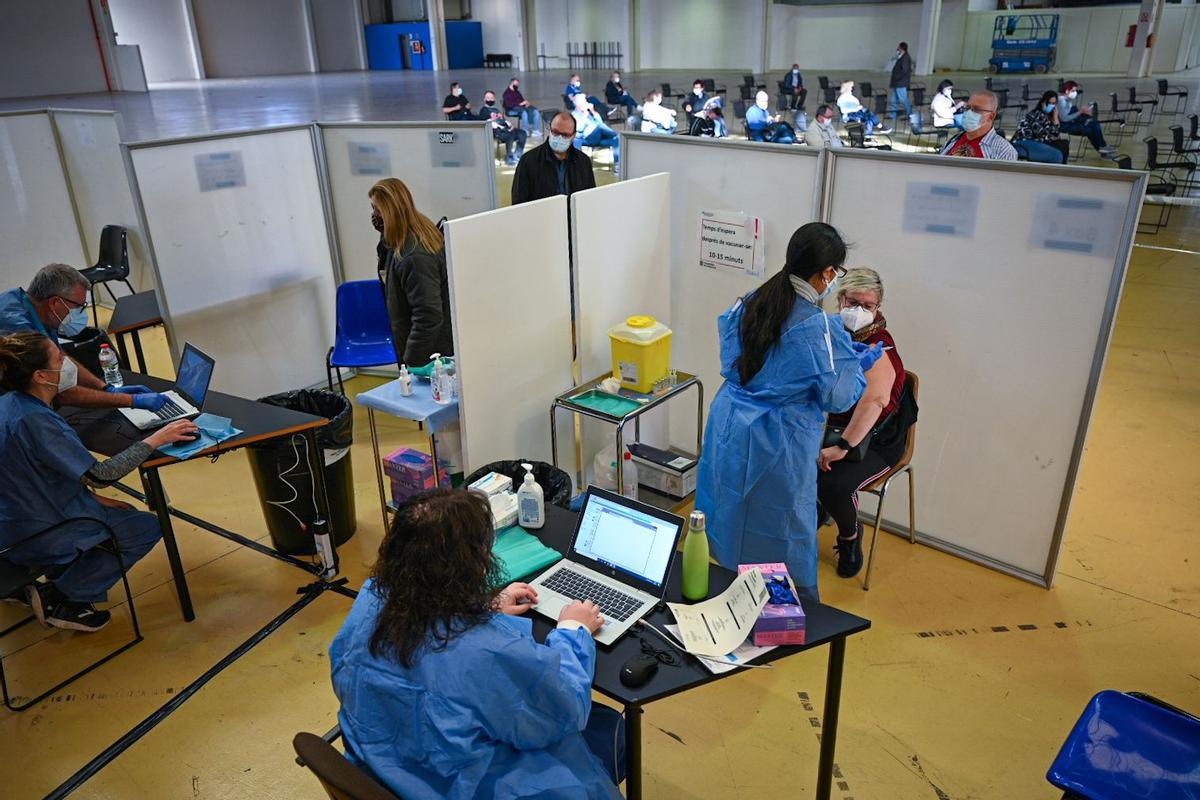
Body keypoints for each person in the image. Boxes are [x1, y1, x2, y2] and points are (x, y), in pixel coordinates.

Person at [330, 488, 625, 799]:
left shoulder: (371, 598)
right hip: (460, 785)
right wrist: (573, 629)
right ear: (473, 564)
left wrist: (481, 608)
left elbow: (348, 670)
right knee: (612, 732)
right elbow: (566, 711)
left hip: (381, 769)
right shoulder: (487, 652)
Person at [695, 223, 882, 603]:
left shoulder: (750, 300)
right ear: (828, 273)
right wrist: (852, 365)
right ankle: (778, 608)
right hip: (779, 439)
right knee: (780, 521)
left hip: (730, 424)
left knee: (726, 500)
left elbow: (731, 360)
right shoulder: (817, 328)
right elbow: (839, 397)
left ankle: (724, 590)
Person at [0, 331, 197, 631]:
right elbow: (100, 475)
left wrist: (94, 500)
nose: (66, 362)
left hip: (12, 524)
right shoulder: (38, 421)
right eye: (59, 358)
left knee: (117, 511)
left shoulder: (10, 405)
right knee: (145, 527)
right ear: (41, 375)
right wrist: (158, 438)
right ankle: (66, 599)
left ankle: (49, 576)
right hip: (41, 529)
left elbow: (37, 474)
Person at [816, 269, 911, 579]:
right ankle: (815, 511)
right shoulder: (833, 333)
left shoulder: (879, 346)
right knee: (794, 463)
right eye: (851, 301)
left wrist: (843, 446)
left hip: (877, 439)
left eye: (866, 305)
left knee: (834, 484)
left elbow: (874, 402)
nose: (857, 311)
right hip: (833, 427)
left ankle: (849, 537)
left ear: (878, 305)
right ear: (840, 298)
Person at [0, 264, 167, 411]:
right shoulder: (16, 330)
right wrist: (131, 401)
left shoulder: (34, 308)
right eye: (78, 307)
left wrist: (105, 388)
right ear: (55, 303)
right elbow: (61, 391)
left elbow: (60, 358)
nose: (81, 313)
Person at [369, 178, 453, 367]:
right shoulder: (403, 237)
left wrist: (411, 361)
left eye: (377, 209)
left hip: (430, 356)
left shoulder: (413, 256)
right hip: (432, 348)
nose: (373, 216)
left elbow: (428, 315)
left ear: (390, 211)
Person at [512, 112, 597, 205]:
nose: (559, 138)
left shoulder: (583, 162)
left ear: (573, 136)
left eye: (565, 135)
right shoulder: (528, 161)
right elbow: (519, 202)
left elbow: (590, 197)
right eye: (555, 132)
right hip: (542, 217)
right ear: (550, 130)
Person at [940, 91, 1017, 160]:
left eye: (977, 110)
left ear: (991, 116)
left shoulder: (1003, 150)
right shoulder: (953, 140)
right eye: (968, 108)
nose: (969, 113)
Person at [1057, 81, 1118, 158]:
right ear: (1066, 91)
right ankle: (1102, 149)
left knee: (1094, 124)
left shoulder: (1067, 100)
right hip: (1065, 126)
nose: (1075, 93)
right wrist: (1080, 112)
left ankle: (1103, 149)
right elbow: (1064, 119)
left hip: (1072, 122)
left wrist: (1083, 115)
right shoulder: (1061, 101)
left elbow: (1072, 114)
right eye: (1073, 91)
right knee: (1089, 129)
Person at [1013, 91, 1068, 164]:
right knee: (1057, 155)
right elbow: (1043, 134)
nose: (1051, 106)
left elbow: (1055, 134)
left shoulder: (1048, 116)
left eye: (1054, 104)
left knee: (1063, 146)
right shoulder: (1036, 115)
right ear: (1043, 102)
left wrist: (1055, 118)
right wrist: (1052, 135)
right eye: (1049, 103)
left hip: (1035, 141)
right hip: (1024, 141)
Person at [479, 90, 528, 166]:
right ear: (484, 99)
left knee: (522, 133)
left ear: (494, 99)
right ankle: (509, 158)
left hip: (506, 129)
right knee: (510, 133)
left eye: (491, 98)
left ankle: (517, 155)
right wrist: (497, 124)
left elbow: (503, 120)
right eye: (488, 98)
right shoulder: (483, 110)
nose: (490, 99)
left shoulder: (496, 110)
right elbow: (485, 122)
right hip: (497, 132)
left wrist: (509, 124)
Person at [571, 95, 620, 167]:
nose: (586, 102)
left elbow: (600, 122)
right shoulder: (574, 115)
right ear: (578, 104)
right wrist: (584, 117)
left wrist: (593, 111)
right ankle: (615, 133)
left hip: (598, 137)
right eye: (584, 101)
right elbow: (579, 129)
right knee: (599, 126)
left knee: (616, 140)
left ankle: (617, 166)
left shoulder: (587, 112)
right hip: (588, 138)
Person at [888, 41, 913, 122]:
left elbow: (905, 70)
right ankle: (893, 115)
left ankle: (910, 114)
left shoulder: (905, 57)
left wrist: (897, 77)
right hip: (896, 83)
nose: (897, 49)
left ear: (901, 48)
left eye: (898, 47)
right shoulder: (900, 56)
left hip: (901, 83)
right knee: (894, 100)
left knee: (903, 99)